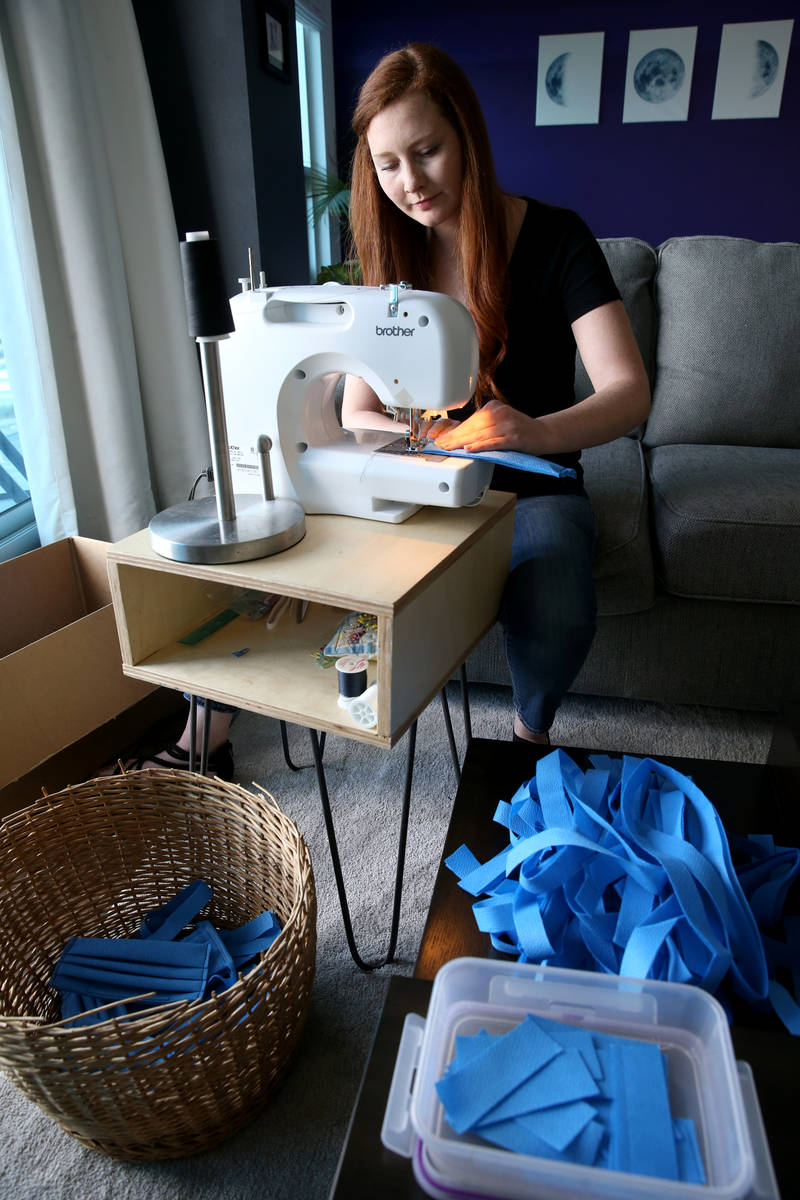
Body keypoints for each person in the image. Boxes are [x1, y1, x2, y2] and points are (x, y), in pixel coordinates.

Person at [341, 42, 650, 744]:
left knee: (556, 601)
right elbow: (358, 413)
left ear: (468, 140)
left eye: (427, 152)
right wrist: (423, 442)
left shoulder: (558, 239)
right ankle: (206, 733)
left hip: (531, 490)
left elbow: (629, 393)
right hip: (424, 484)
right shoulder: (391, 261)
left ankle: (526, 733)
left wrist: (534, 432)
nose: (410, 182)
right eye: (387, 165)